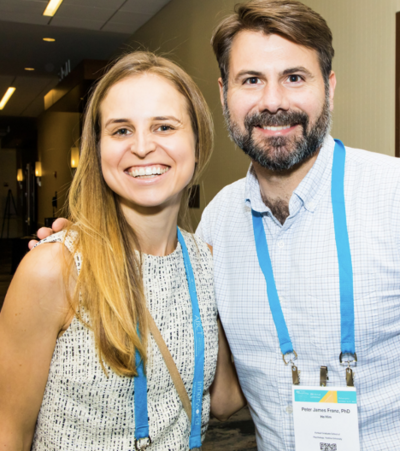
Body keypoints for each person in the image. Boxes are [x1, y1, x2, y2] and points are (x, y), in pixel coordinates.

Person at [28, 0, 400, 449]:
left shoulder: (392, 197)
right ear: (225, 94)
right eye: (251, 80)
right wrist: (80, 250)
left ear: (330, 87)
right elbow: (216, 390)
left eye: (295, 77)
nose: (273, 101)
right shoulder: (216, 228)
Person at [0, 51, 244, 451]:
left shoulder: (206, 264)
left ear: (197, 144)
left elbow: (224, 400)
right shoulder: (54, 268)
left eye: (164, 126)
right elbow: (8, 432)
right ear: (98, 150)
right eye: (121, 130)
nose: (143, 147)